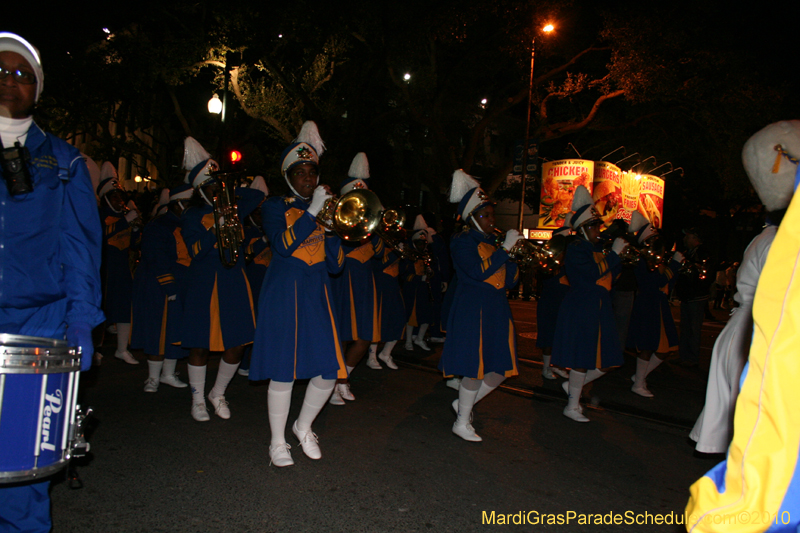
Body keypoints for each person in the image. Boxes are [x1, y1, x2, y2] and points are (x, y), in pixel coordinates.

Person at [0, 32, 104, 532]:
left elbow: (80, 251)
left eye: (23, 75)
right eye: (1, 70)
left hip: (36, 326)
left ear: (37, 91)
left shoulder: (64, 163)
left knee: (23, 469)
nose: (10, 81)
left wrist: (82, 325)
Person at [685, 120, 800, 533]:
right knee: (755, 436)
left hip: (754, 330)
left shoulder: (770, 237)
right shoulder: (775, 241)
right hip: (759, 333)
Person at [249, 121, 346, 467]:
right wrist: (313, 211)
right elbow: (282, 244)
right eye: (301, 172)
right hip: (284, 293)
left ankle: (303, 426)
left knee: (328, 370)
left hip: (317, 295)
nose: (308, 178)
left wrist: (334, 227)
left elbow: (335, 266)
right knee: (283, 369)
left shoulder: (323, 210)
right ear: (288, 175)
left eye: (312, 172)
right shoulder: (275, 206)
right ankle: (277, 442)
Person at [179, 137, 264, 421]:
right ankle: (197, 399)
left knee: (237, 343)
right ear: (201, 190)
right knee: (200, 344)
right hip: (204, 282)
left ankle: (218, 392)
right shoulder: (192, 215)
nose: (218, 192)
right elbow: (195, 252)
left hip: (233, 281)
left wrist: (230, 189)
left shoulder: (234, 208)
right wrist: (214, 227)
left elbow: (257, 196)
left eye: (220, 186)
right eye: (212, 187)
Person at [438, 170, 522, 442]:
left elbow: (507, 282)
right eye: (484, 215)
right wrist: (504, 252)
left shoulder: (492, 243)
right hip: (473, 308)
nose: (491, 221)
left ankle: (464, 405)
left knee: (500, 370)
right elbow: (477, 272)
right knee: (475, 367)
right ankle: (461, 421)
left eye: (491, 215)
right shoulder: (461, 241)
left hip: (497, 308)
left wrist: (515, 258)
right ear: (471, 218)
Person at [551, 186, 627, 422]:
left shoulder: (595, 249)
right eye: (594, 226)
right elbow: (591, 274)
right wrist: (613, 256)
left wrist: (618, 260)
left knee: (609, 359)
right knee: (582, 357)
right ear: (583, 228)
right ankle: (572, 405)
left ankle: (572, 387)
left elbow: (609, 278)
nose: (598, 230)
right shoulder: (575, 248)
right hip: (582, 306)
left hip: (600, 306)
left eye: (598, 226)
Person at [328, 153, 385, 405]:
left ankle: (344, 378)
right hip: (343, 282)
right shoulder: (338, 225)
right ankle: (333, 384)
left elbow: (381, 253)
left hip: (365, 285)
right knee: (341, 336)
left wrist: (378, 227)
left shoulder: (371, 231)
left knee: (364, 337)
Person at [130, 184, 193, 392]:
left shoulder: (189, 224)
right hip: (159, 285)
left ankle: (168, 374)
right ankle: (153, 377)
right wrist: (169, 286)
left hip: (182, 283)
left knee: (176, 330)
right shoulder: (159, 226)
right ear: (176, 205)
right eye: (186, 204)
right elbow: (156, 259)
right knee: (157, 331)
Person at [624, 212, 682, 397]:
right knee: (648, 346)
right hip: (648, 305)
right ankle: (639, 383)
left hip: (659, 305)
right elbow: (652, 284)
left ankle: (639, 377)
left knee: (668, 348)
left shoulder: (657, 261)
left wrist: (676, 268)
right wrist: (674, 266)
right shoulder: (643, 260)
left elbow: (667, 285)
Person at [96, 161, 141, 365]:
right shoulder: (99, 215)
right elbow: (101, 236)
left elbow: (132, 244)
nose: (118, 200)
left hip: (122, 269)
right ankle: (95, 348)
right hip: (104, 270)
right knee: (100, 309)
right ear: (106, 198)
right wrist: (125, 222)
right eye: (114, 196)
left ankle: (122, 349)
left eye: (120, 196)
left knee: (124, 308)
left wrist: (135, 229)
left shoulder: (123, 215)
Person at [239, 176, 271, 377]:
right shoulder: (245, 230)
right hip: (251, 284)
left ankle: (259, 362)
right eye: (259, 213)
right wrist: (263, 240)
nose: (262, 218)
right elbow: (245, 256)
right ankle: (243, 363)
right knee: (249, 325)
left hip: (267, 285)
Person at [534, 226, 571, 380]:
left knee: (562, 336)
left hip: (564, 302)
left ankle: (558, 365)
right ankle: (546, 368)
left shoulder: (567, 261)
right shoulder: (548, 261)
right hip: (550, 302)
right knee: (548, 335)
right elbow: (544, 278)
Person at [675, 227, 713, 367]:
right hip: (688, 295)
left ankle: (692, 358)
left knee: (693, 328)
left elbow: (704, 273)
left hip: (696, 295)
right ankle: (684, 355)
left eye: (688, 237)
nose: (685, 239)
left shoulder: (703, 253)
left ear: (696, 238)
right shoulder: (689, 253)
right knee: (685, 327)